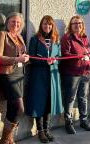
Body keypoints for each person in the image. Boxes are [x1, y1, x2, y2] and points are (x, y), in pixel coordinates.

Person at [26, 15, 63, 143]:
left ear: (52, 26)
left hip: (52, 76)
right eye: (44, 24)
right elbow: (31, 58)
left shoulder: (56, 40)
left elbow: (59, 56)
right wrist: (44, 62)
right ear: (41, 25)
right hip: (38, 76)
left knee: (48, 102)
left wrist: (54, 61)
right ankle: (40, 131)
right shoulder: (35, 39)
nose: (47, 26)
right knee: (39, 102)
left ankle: (47, 129)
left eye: (49, 24)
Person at [0, 12, 30, 144]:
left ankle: (8, 139)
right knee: (19, 108)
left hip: (20, 74)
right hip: (7, 75)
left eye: (18, 23)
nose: (16, 24)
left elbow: (22, 55)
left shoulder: (19, 37)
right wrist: (17, 59)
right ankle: (5, 139)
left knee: (12, 106)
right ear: (7, 22)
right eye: (13, 21)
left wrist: (26, 58)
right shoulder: (2, 35)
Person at [60, 15, 90, 133]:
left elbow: (88, 52)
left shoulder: (84, 37)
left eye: (79, 23)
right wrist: (79, 57)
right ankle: (68, 122)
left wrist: (89, 61)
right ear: (71, 25)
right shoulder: (67, 38)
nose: (77, 25)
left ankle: (83, 121)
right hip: (72, 73)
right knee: (70, 98)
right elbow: (65, 54)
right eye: (75, 23)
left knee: (83, 97)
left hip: (85, 72)